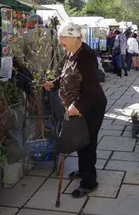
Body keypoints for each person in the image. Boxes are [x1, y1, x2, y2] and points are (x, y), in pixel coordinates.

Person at [43, 22, 107, 198]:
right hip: (78, 106)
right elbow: (65, 74)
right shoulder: (71, 53)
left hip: (91, 106)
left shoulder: (85, 55)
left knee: (87, 143)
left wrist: (77, 105)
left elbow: (92, 88)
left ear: (73, 37)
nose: (60, 41)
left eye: (62, 37)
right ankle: (82, 170)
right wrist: (53, 83)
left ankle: (89, 182)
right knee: (79, 139)